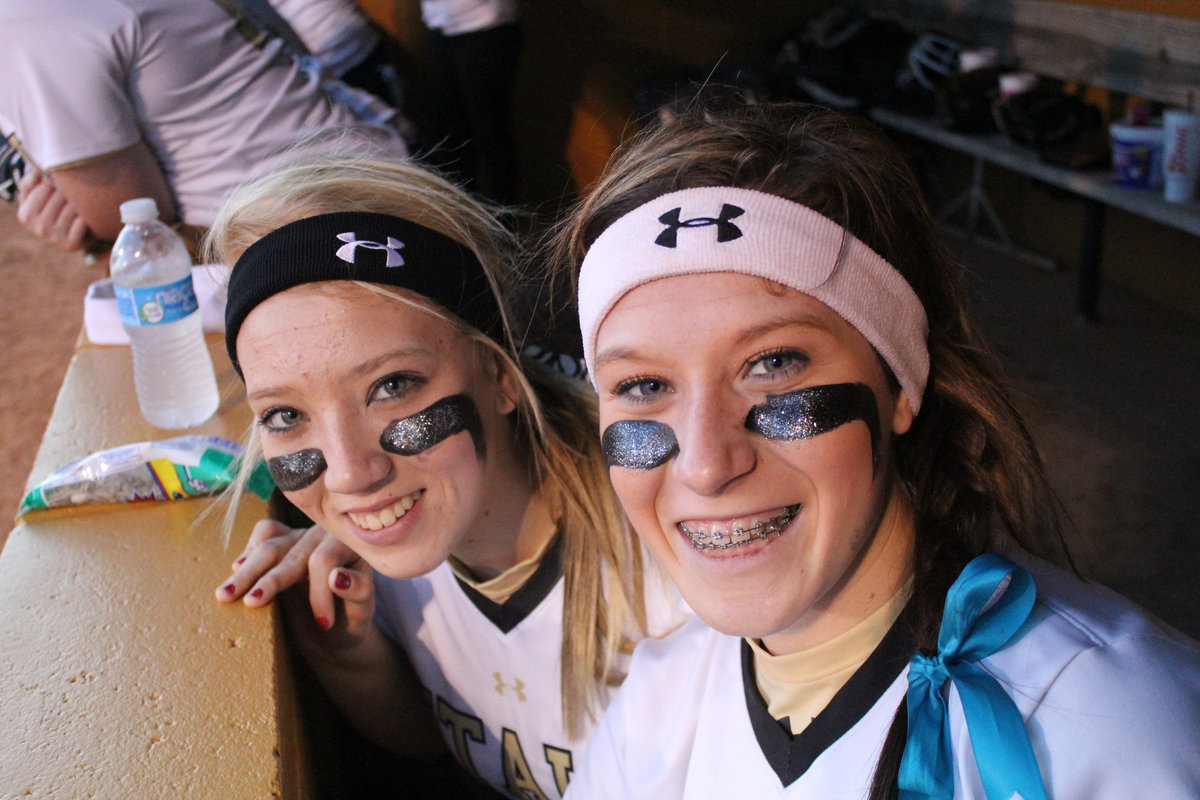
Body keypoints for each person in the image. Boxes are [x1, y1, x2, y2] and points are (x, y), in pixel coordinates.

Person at [553, 102, 1200, 798]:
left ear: (900, 387)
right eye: (644, 384)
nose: (707, 464)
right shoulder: (653, 707)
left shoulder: (1117, 729)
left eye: (773, 364)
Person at [207, 150, 686, 799]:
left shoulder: (676, 562)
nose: (351, 474)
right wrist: (350, 656)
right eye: (286, 414)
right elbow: (437, 736)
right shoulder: (392, 551)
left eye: (393, 386)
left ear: (499, 374)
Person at [0, 0, 409, 254]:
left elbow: (131, 218)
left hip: (317, 236)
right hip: (375, 174)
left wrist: (93, 234)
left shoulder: (26, 17)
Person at [418, 0, 521, 204]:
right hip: (439, 25)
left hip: (486, 25)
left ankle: (504, 225)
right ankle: (466, 220)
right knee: (451, 135)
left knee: (491, 134)